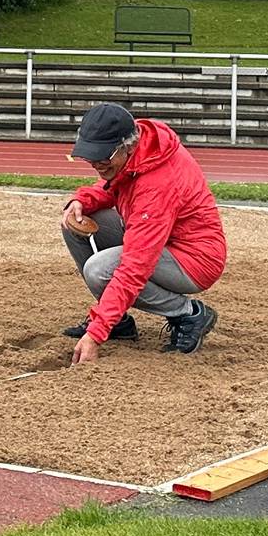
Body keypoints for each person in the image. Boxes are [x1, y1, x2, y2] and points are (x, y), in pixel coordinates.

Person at [56, 103, 226, 365]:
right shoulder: (141, 150)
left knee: (100, 270)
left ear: (127, 146)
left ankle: (189, 313)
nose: (96, 164)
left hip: (194, 259)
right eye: (91, 156)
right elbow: (112, 185)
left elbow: (134, 268)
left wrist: (95, 333)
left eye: (103, 157)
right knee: (75, 221)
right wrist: (82, 200)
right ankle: (118, 322)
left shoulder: (156, 185)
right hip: (163, 239)